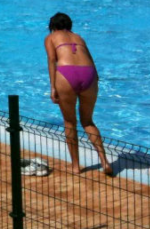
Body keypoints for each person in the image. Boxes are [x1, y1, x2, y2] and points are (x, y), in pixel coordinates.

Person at [44, 12, 112, 175]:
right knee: (88, 121)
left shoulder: (51, 37)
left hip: (67, 74)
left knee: (69, 122)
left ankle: (75, 165)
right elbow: (91, 60)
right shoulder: (79, 37)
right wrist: (95, 79)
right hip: (89, 74)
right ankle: (104, 161)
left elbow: (52, 60)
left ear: (52, 27)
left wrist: (53, 87)